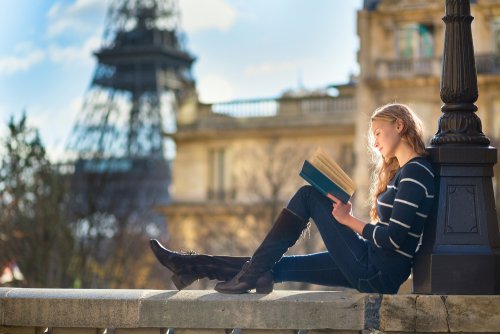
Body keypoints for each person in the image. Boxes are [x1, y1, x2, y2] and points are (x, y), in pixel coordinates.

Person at [150, 103, 435, 294]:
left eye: (377, 133)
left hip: (377, 271)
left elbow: (393, 239)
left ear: (399, 125)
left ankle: (216, 270)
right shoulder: (406, 173)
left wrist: (349, 221)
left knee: (309, 195)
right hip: (371, 263)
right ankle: (192, 267)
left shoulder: (415, 173)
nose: (374, 142)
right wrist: (347, 218)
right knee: (274, 268)